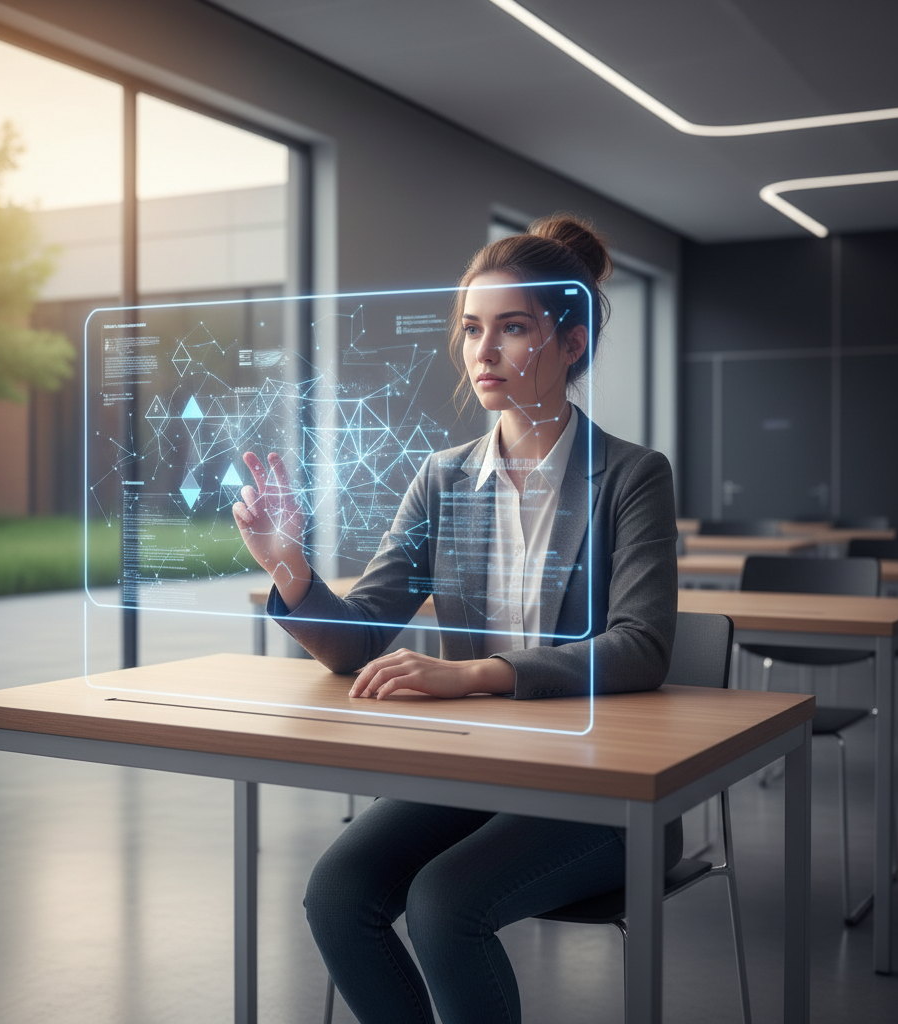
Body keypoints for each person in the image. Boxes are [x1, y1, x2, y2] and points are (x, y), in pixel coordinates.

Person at [232, 214, 679, 1024]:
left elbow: (641, 648)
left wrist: (474, 674)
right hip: (479, 770)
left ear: (571, 343)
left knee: (443, 904)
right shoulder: (441, 481)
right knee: (337, 895)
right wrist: (287, 567)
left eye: (513, 329)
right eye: (473, 329)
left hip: (605, 788)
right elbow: (360, 640)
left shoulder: (631, 476)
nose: (484, 350)